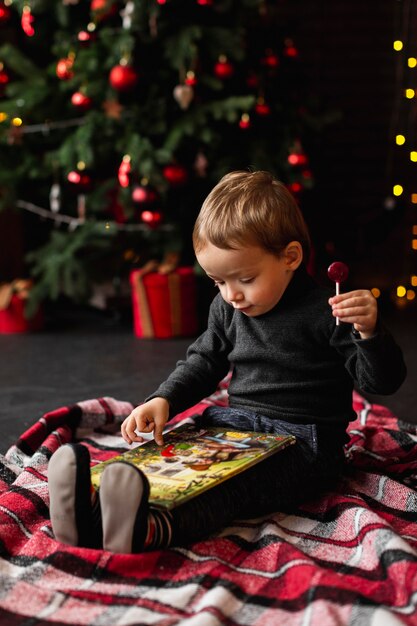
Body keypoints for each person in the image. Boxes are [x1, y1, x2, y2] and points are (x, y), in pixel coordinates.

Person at [48, 170, 406, 553]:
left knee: (227, 485)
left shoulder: (328, 312)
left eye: (245, 278)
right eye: (218, 281)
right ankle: (90, 509)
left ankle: (152, 527)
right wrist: (163, 399)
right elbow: (203, 361)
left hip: (305, 445)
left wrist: (369, 333)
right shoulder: (228, 308)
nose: (231, 294)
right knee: (179, 458)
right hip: (235, 429)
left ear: (290, 257)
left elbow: (381, 381)